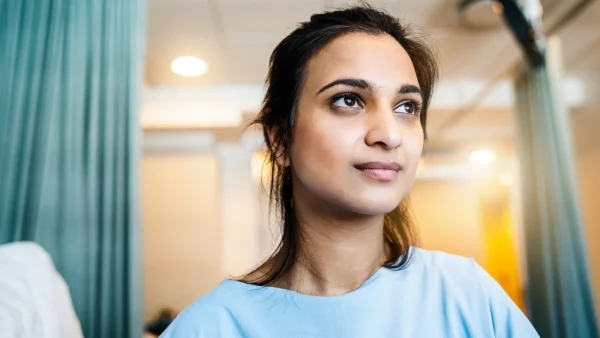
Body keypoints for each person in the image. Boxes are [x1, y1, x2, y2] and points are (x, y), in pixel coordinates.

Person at [161, 5, 539, 337]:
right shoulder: (212, 326)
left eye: (407, 107)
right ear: (280, 140)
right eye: (348, 100)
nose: (389, 134)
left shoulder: (468, 296)